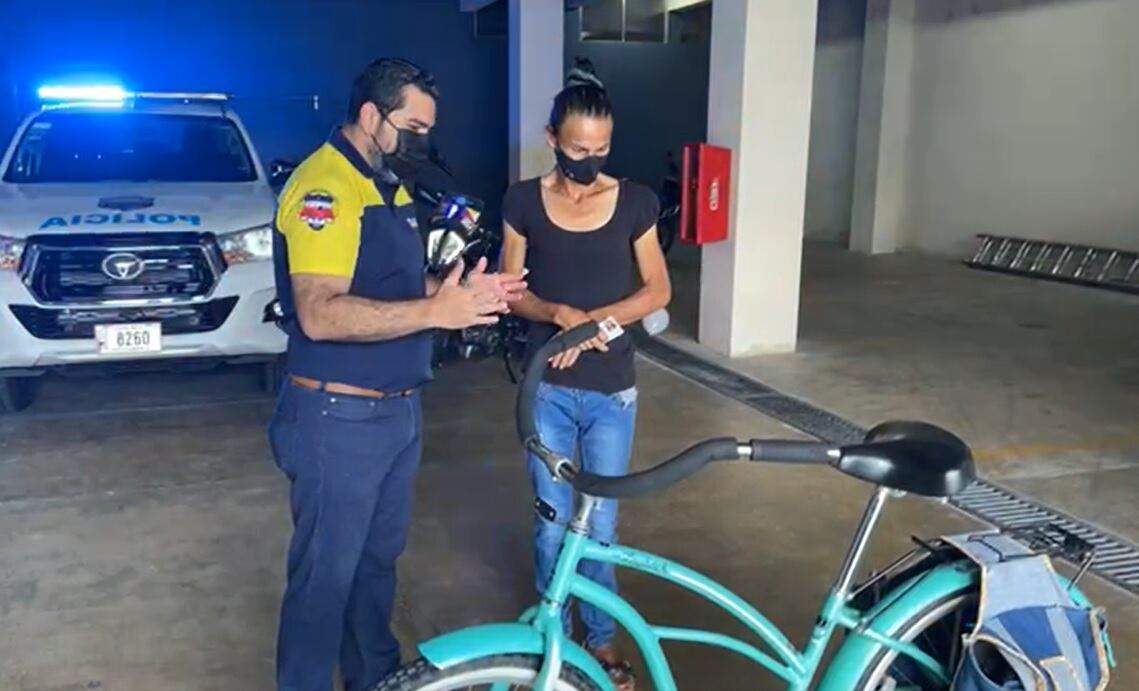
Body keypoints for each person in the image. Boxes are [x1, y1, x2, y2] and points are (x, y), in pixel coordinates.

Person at [268, 58, 526, 691]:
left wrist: (460, 293)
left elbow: (397, 288)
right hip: (338, 416)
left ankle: (375, 681)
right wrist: (435, 310)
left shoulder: (392, 185)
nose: (422, 141)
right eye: (412, 126)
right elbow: (320, 313)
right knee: (325, 577)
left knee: (375, 566)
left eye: (428, 129)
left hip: (396, 412)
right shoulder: (325, 189)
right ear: (369, 116)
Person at [499, 65, 671, 690]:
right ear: (552, 139)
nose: (589, 161)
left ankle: (600, 643)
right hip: (545, 388)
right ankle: (555, 637)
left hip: (610, 392)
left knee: (599, 524)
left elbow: (657, 289)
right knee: (551, 519)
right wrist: (555, 314)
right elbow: (510, 290)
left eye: (601, 150)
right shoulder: (521, 201)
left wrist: (592, 323)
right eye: (578, 150)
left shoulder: (634, 202)